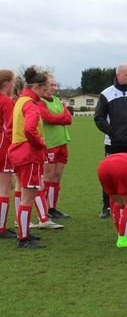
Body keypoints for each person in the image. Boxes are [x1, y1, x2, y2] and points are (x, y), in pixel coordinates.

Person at [8, 67, 54, 248]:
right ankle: (23, 238)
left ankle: (24, 233)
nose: (45, 93)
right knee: (28, 197)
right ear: (36, 86)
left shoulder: (20, 100)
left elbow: (13, 126)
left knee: (25, 194)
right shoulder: (31, 105)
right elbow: (29, 129)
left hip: (18, 151)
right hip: (29, 155)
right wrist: (40, 143)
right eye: (44, 89)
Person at [94, 64, 127, 218]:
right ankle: (106, 207)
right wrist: (113, 133)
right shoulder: (106, 94)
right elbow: (99, 118)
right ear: (118, 75)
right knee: (110, 175)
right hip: (114, 143)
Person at [39, 74, 72, 219]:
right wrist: (61, 118)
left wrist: (58, 118)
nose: (54, 88)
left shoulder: (58, 100)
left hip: (62, 142)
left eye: (55, 85)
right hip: (49, 144)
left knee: (57, 177)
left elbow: (69, 118)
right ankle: (45, 210)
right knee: (48, 177)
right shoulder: (40, 102)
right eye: (51, 85)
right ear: (44, 86)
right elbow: (48, 118)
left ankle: (53, 208)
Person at [0, 69, 16, 239]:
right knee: (4, 189)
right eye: (12, 82)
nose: (13, 85)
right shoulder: (5, 101)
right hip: (3, 147)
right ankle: (1, 228)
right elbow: (9, 128)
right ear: (6, 83)